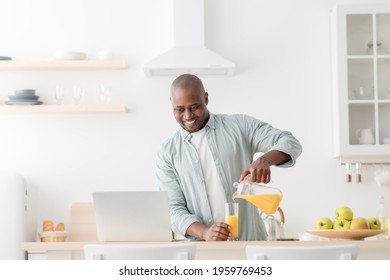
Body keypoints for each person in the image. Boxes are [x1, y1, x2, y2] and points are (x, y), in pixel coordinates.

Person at [156, 74, 302, 241]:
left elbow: (290, 142)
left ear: (206, 98)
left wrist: (265, 160)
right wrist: (205, 232)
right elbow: (173, 209)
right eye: (179, 109)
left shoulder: (240, 126)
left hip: (250, 244)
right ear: (171, 104)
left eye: (194, 106)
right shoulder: (167, 153)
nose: (188, 116)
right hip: (201, 252)